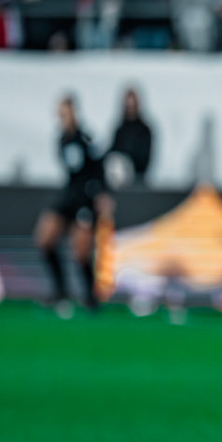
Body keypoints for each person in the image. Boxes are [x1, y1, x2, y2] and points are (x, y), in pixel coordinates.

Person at [35, 94, 112, 316]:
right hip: (68, 195)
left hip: (85, 198)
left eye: (65, 111)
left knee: (81, 252)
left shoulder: (86, 138)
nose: (62, 117)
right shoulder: (61, 138)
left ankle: (90, 296)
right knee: (44, 238)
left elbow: (99, 168)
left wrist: (101, 195)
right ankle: (60, 290)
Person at [108, 86, 154, 186]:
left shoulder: (144, 130)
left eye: (132, 104)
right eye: (128, 104)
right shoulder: (120, 129)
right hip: (119, 183)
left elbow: (145, 158)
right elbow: (113, 151)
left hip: (138, 181)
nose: (130, 107)